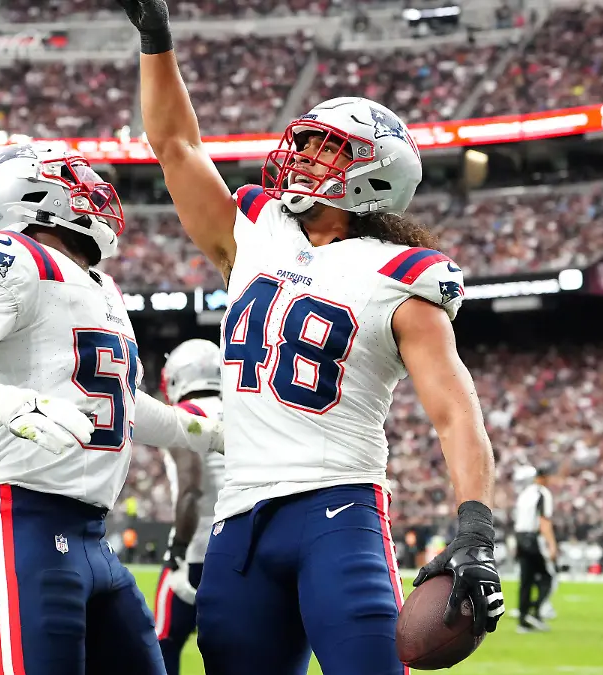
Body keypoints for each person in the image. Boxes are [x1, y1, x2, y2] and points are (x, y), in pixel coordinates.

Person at [116, 2, 504, 672]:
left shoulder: (401, 276)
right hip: (238, 519)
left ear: (374, 176)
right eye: (307, 142)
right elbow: (176, 146)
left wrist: (475, 527)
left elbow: (454, 411)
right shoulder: (257, 230)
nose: (302, 157)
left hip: (339, 510)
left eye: (327, 149)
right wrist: (157, 39)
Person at [0, 143, 225, 675]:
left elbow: (118, 405)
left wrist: (209, 432)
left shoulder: (103, 287)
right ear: (29, 196)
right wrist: (8, 403)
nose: (92, 189)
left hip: (91, 534)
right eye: (73, 178)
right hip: (23, 520)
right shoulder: (17, 258)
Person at [151, 339, 225, 675]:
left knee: (162, 642)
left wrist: (178, 549)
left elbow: (192, 489)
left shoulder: (182, 417)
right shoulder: (244, 413)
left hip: (196, 547)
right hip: (240, 543)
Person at [513, 465, 556, 633]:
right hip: (533, 539)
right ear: (544, 478)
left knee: (526, 580)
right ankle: (536, 611)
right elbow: (544, 521)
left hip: (519, 537)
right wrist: (552, 545)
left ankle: (522, 620)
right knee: (547, 578)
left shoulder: (524, 494)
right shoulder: (542, 493)